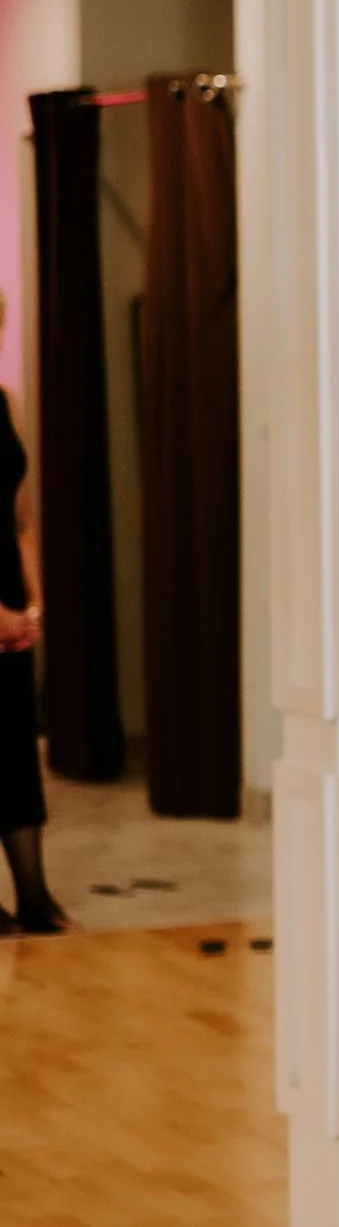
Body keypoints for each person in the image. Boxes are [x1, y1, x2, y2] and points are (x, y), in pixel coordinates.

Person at [0, 290, 63, 936]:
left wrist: (33, 603)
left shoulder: (5, 404)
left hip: (10, 608)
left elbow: (20, 519)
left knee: (16, 751)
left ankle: (35, 897)